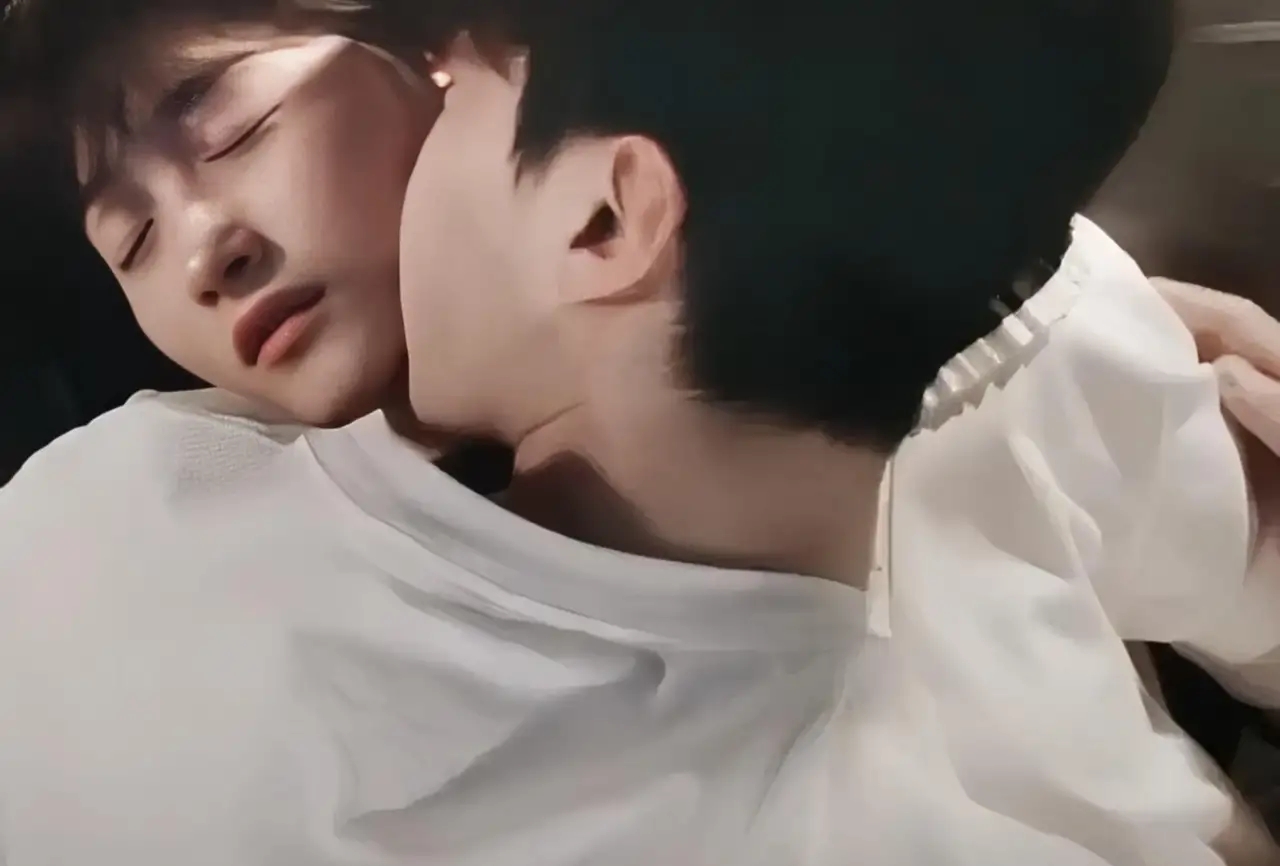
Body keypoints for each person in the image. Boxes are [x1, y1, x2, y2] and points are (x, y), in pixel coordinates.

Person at [0, 1, 1271, 865]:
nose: (202, 250)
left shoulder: (1010, 314)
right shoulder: (140, 523)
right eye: (128, 240)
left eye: (232, 126)